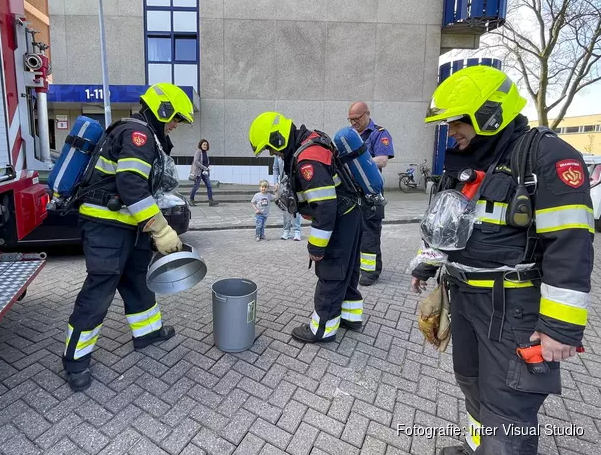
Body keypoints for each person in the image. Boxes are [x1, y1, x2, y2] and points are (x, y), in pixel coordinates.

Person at [410, 65, 594, 454]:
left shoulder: (545, 155)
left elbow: (571, 242)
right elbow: (446, 225)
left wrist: (561, 326)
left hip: (512, 310)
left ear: (491, 113)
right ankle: (478, 447)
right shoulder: (465, 160)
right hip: (464, 299)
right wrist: (428, 263)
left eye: (458, 121)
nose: (452, 130)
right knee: (471, 381)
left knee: (508, 406)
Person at [62, 83, 194, 392]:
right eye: (175, 118)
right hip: (107, 226)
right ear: (162, 110)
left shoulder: (145, 135)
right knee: (100, 290)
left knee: (135, 278)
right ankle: (75, 360)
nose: (175, 125)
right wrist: (161, 230)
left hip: (128, 225)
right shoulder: (139, 135)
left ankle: (148, 332)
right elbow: (131, 185)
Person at [248, 112, 365, 342]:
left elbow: (325, 207)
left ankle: (321, 329)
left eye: (272, 148)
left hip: (338, 219)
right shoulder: (309, 141)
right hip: (351, 215)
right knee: (348, 270)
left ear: (278, 139)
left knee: (331, 273)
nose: (274, 154)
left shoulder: (307, 159)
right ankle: (350, 317)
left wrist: (317, 246)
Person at [348, 101, 394, 286]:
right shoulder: (349, 135)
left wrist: (357, 163)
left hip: (370, 193)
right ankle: (358, 267)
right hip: (351, 192)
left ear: (367, 114)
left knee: (369, 234)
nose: (353, 123)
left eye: (356, 119)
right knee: (354, 232)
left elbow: (382, 160)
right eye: (350, 120)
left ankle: (371, 272)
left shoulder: (379, 133)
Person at [273, 155, 302, 240]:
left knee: (295, 208)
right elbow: (275, 169)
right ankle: (286, 231)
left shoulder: (293, 152)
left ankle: (297, 231)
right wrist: (275, 182)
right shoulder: (277, 156)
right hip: (283, 185)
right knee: (285, 208)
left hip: (294, 183)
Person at [188, 139, 218, 206]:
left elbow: (206, 162)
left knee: (209, 186)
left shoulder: (205, 153)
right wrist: (205, 168)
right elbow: (196, 161)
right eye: (204, 144)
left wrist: (208, 168)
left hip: (204, 172)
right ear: (201, 145)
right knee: (196, 186)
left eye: (206, 145)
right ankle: (191, 200)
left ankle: (211, 201)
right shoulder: (198, 152)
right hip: (198, 172)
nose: (205, 146)